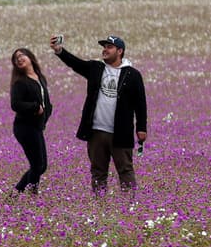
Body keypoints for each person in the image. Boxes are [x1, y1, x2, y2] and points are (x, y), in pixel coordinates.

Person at [50, 34, 148, 196]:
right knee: (98, 171)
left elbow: (140, 103)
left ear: (120, 51)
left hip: (121, 132)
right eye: (104, 47)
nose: (105, 50)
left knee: (125, 170)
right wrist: (59, 51)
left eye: (109, 47)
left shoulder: (133, 74)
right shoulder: (95, 68)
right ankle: (100, 204)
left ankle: (130, 204)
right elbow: (76, 64)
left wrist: (141, 128)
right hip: (96, 131)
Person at [8, 47, 53, 195]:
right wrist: (35, 107)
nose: (19, 59)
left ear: (30, 57)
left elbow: (45, 100)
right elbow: (15, 104)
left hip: (36, 126)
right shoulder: (20, 82)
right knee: (37, 165)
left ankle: (18, 194)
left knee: (41, 166)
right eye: (16, 59)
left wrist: (47, 113)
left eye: (22, 56)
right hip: (24, 127)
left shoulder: (39, 77)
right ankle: (27, 195)